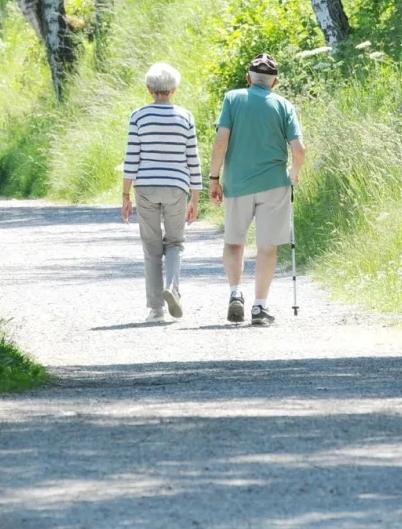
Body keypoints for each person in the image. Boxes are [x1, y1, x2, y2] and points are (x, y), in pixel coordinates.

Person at [208, 53, 304, 326]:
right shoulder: (284, 105)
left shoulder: (233, 98)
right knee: (267, 246)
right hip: (274, 183)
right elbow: (299, 150)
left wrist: (214, 178)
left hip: (237, 183)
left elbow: (220, 142)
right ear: (275, 82)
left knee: (235, 241)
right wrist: (293, 175)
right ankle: (259, 307)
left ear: (248, 78)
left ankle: (235, 292)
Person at [121, 62, 201, 321]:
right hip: (177, 187)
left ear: (149, 89)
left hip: (145, 187)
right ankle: (172, 288)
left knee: (152, 247)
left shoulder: (139, 116)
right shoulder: (185, 116)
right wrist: (196, 197)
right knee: (175, 243)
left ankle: (156, 309)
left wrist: (125, 195)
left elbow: (132, 157)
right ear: (174, 90)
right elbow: (193, 158)